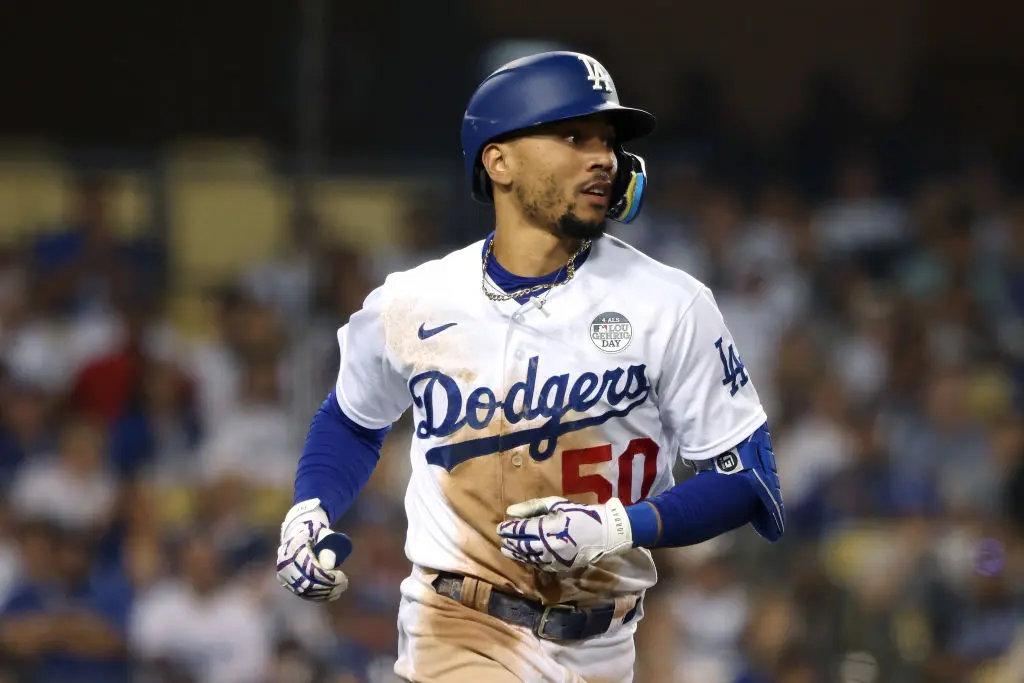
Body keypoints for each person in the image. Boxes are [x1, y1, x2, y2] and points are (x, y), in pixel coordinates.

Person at [276, 51, 786, 683]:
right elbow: (352, 419)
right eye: (574, 136)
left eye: (607, 141)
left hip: (604, 645)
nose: (602, 157)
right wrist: (311, 508)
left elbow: (749, 480)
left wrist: (618, 525)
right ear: (499, 161)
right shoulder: (413, 301)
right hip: (455, 629)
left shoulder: (670, 304)